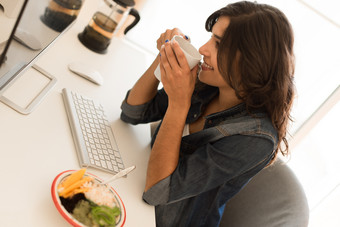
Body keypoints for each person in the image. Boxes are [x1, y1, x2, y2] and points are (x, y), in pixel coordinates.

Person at [120, 1, 295, 226]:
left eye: (219, 44)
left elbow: (156, 193)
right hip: (135, 183)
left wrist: (179, 103)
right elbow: (132, 112)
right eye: (212, 37)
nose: (203, 49)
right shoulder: (208, 84)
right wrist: (165, 55)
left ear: (253, 60)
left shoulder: (256, 139)